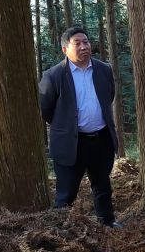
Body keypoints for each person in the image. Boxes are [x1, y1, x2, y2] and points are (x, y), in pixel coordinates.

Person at [39, 27, 121, 228]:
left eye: (86, 42)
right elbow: (44, 109)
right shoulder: (54, 75)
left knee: (102, 186)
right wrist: (66, 125)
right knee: (66, 192)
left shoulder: (104, 70)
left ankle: (107, 222)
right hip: (70, 143)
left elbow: (109, 96)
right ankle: (59, 230)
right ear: (65, 49)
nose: (84, 47)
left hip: (101, 139)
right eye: (77, 43)